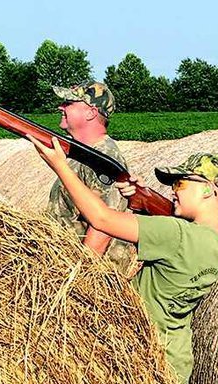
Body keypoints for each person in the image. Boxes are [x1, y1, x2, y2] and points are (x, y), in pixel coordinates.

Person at [29, 131, 218, 384]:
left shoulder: (176, 234)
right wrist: (138, 199)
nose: (173, 191)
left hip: (146, 359)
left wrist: (60, 165)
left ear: (207, 189)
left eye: (180, 184)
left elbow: (102, 219)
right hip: (173, 359)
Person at [47, 80, 132, 270]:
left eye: (69, 103)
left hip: (91, 272)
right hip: (66, 262)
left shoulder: (105, 157)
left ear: (91, 113)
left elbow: (104, 225)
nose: (61, 106)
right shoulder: (85, 153)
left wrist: (78, 276)